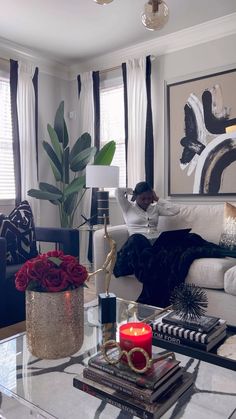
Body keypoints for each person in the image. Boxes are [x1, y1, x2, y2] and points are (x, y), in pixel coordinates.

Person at [115, 181, 180, 239]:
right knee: (135, 239)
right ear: (136, 196)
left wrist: (157, 199)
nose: (146, 201)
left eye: (149, 198)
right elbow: (118, 191)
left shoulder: (155, 208)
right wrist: (133, 192)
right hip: (136, 242)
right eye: (143, 199)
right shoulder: (128, 207)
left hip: (154, 241)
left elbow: (176, 210)